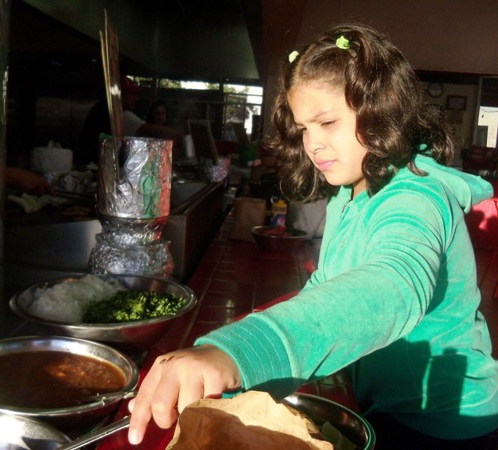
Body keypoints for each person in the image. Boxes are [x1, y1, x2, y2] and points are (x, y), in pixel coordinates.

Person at [127, 23, 498, 449]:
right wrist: (243, 367)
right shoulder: (350, 195)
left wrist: (241, 351)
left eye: (327, 122)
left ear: (383, 111)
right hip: (387, 405)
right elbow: (328, 284)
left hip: (449, 422)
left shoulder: (415, 196)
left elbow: (393, 285)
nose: (313, 144)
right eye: (304, 128)